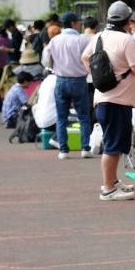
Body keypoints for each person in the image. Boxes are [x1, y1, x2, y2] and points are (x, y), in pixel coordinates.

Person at [81, 1, 135, 201]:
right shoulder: (126, 39)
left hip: (104, 98)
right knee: (112, 146)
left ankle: (113, 181)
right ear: (128, 20)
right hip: (118, 100)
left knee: (115, 143)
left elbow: (85, 58)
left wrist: (98, 76)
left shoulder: (99, 36)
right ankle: (108, 188)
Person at [43, 11, 92, 160]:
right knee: (83, 116)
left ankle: (63, 150)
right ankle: (85, 148)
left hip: (61, 80)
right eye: (78, 22)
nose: (79, 25)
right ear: (73, 23)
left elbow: (46, 60)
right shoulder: (82, 40)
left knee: (61, 117)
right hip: (79, 80)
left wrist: (54, 67)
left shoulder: (55, 41)